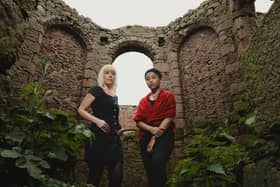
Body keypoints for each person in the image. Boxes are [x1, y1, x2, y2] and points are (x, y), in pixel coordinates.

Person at [78, 64, 123, 187]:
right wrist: (98, 121)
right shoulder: (96, 90)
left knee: (117, 174)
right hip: (98, 137)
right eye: (107, 73)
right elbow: (81, 110)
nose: (110, 75)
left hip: (113, 139)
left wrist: (119, 127)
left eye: (113, 73)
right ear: (102, 75)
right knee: (95, 175)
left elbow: (113, 115)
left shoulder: (115, 96)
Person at [133, 68, 176, 187]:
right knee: (150, 170)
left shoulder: (168, 96)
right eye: (147, 79)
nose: (150, 81)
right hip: (145, 136)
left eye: (153, 77)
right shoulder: (143, 101)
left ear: (159, 79)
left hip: (164, 134)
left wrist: (154, 138)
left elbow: (169, 117)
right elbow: (138, 121)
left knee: (158, 161)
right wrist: (151, 130)